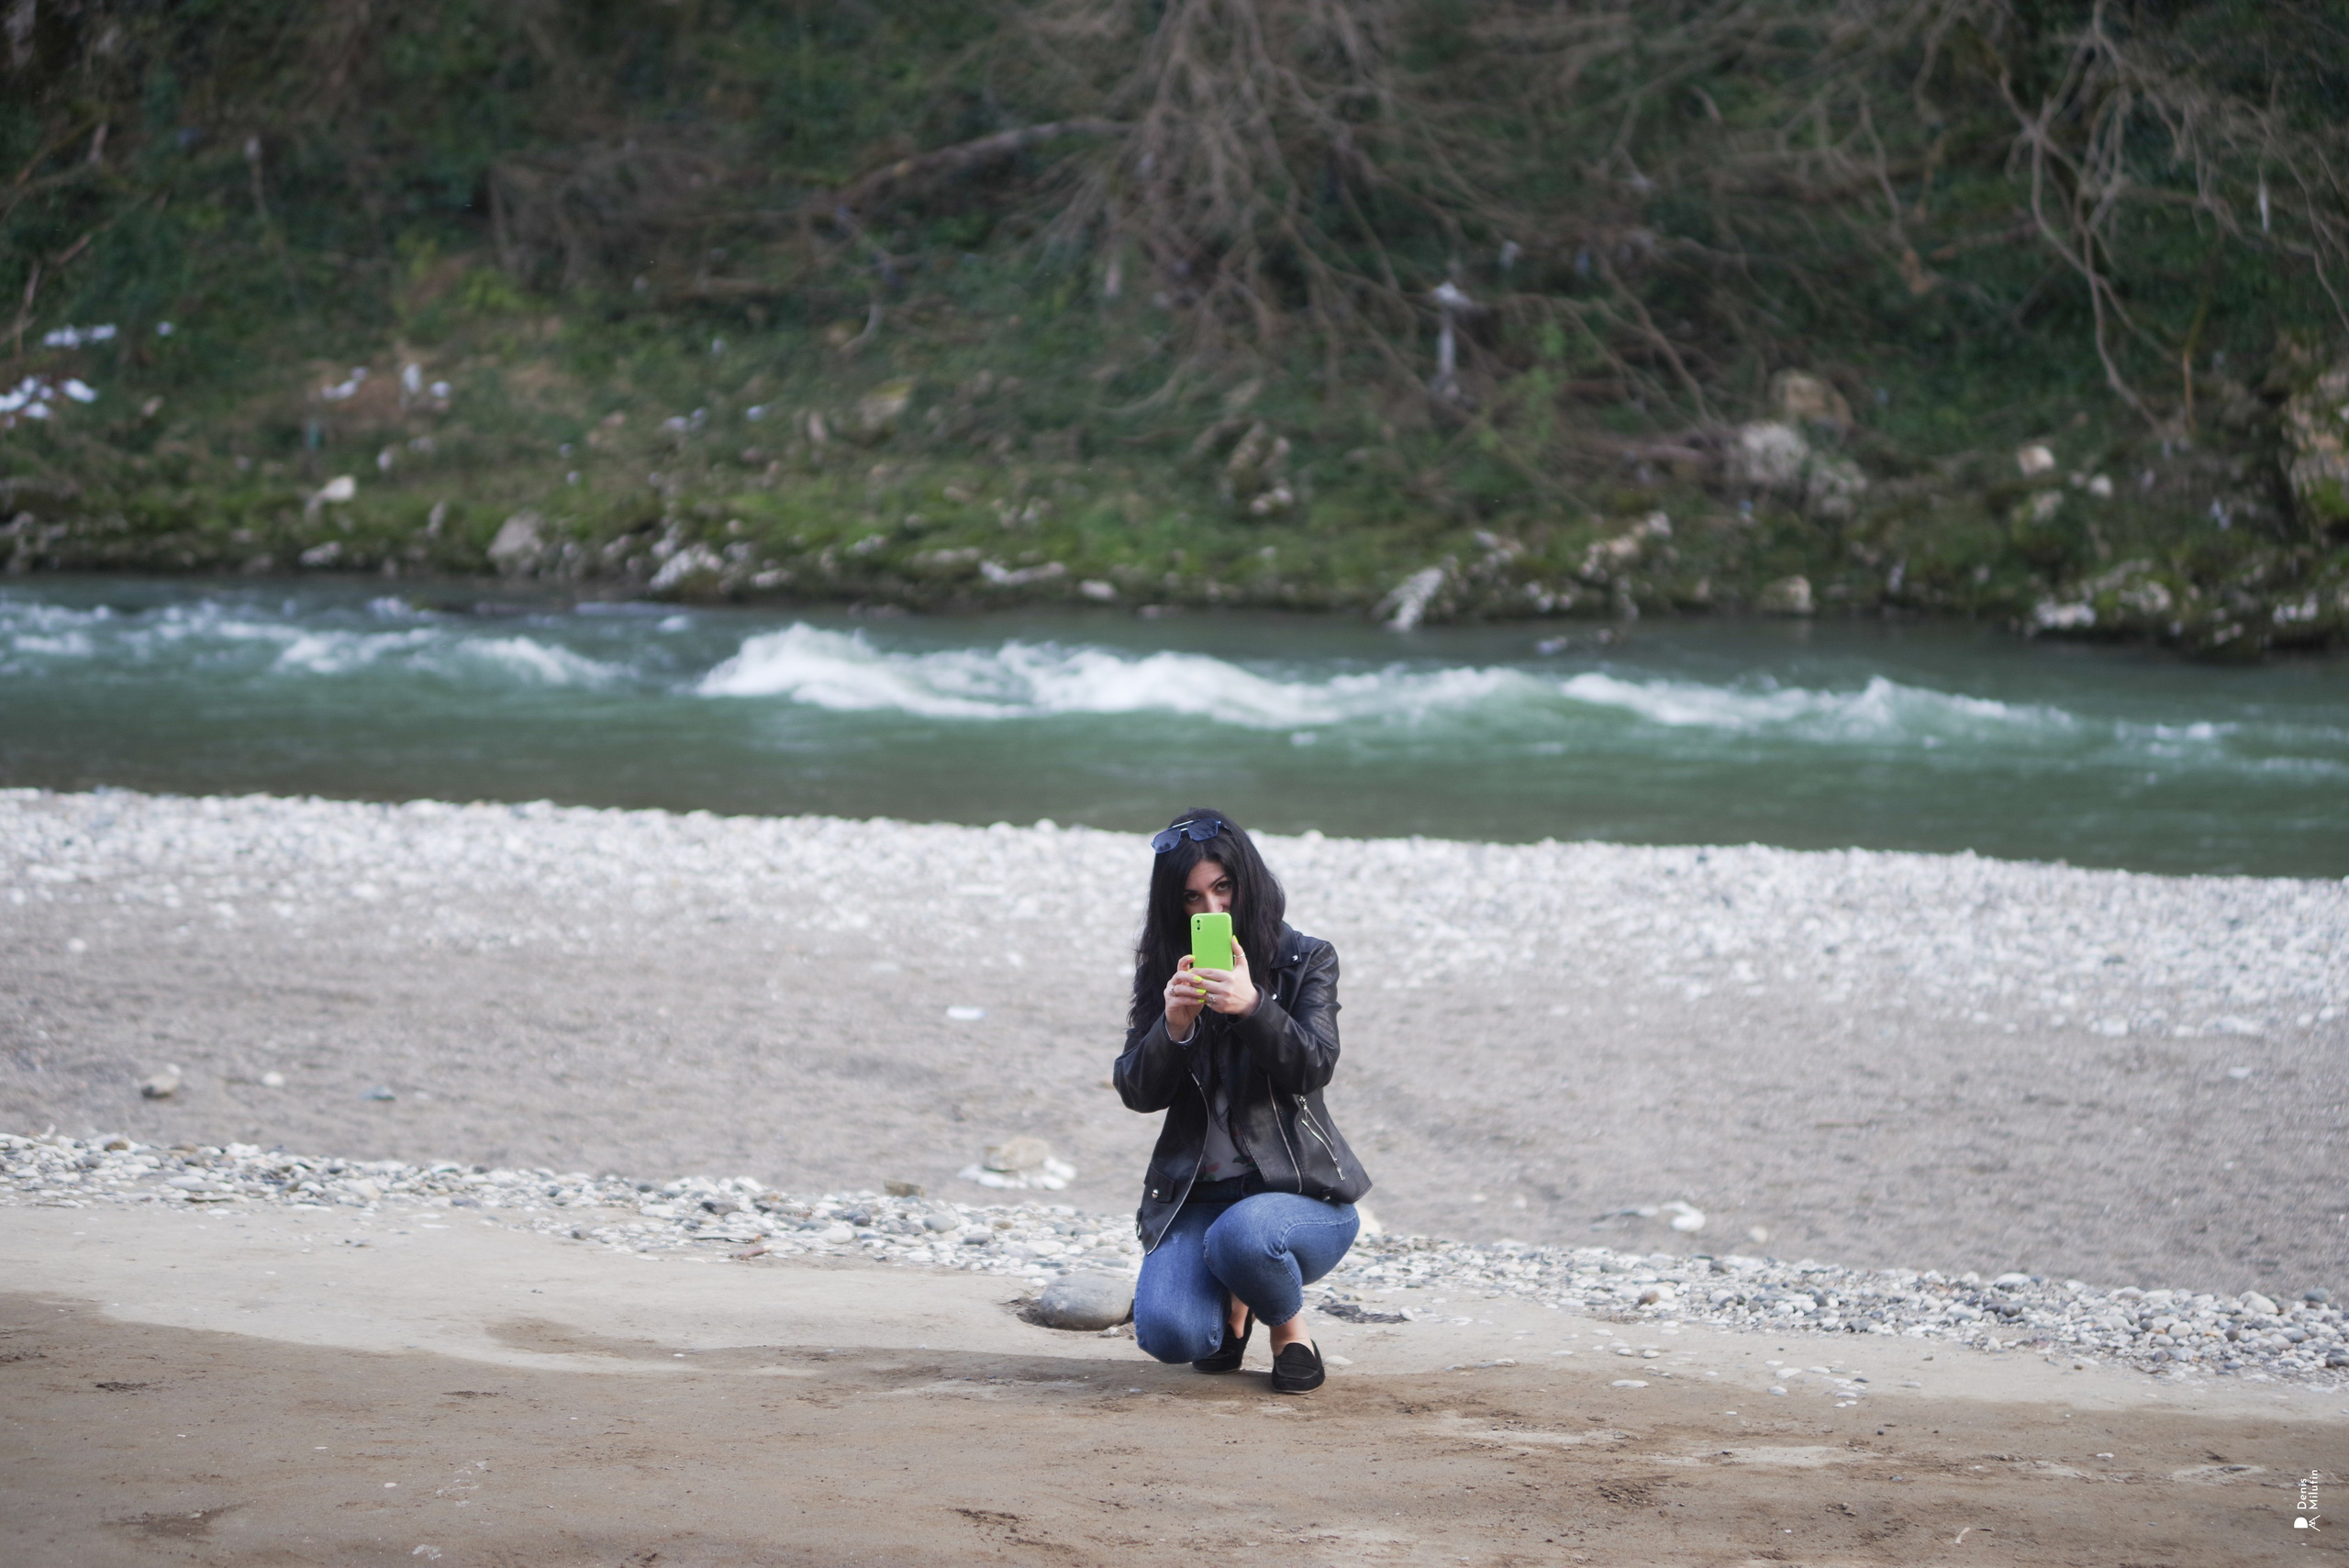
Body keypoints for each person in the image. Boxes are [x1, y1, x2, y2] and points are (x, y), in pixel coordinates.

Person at [1115, 808, 1372, 1393]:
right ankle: (1235, 1302)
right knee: (1170, 1335)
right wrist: (1173, 1028)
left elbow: (1314, 1065)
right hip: (1198, 1196)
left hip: (1297, 1194)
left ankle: (1287, 1326)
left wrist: (1254, 1007)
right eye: (1192, 898)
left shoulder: (1306, 958)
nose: (1211, 912)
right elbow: (1135, 1091)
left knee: (1243, 1236)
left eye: (1222, 889)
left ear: (1246, 880)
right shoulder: (1164, 967)